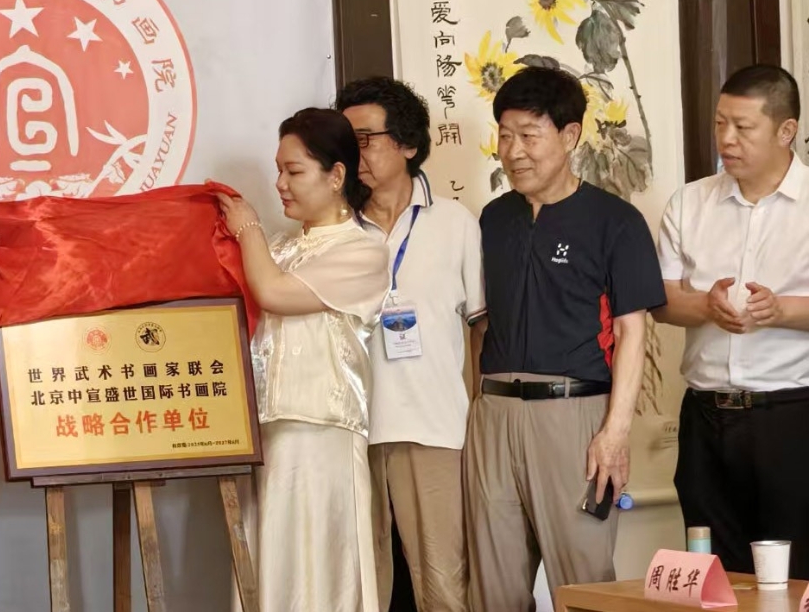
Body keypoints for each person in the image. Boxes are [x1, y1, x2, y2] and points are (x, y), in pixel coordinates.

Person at [464, 66, 666, 610]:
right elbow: (478, 325)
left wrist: (614, 433)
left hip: (575, 416)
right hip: (494, 415)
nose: (514, 151)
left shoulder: (615, 221)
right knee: (493, 589)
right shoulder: (492, 219)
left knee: (584, 585)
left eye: (529, 135)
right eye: (505, 135)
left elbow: (631, 331)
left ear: (570, 135)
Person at [218, 107, 390, 612]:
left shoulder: (364, 249)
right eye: (279, 170)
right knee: (270, 571)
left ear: (336, 176)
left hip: (322, 437)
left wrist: (247, 227)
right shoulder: (280, 247)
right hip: (268, 435)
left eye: (293, 171)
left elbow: (273, 292)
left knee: (319, 576)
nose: (280, 184)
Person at [653, 64, 809, 577]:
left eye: (743, 127)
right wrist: (706, 307)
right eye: (720, 123)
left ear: (786, 130)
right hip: (705, 416)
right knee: (714, 575)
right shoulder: (689, 202)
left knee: (794, 575)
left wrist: (782, 311)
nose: (726, 139)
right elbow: (662, 301)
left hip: (791, 414)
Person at [336, 77, 484, 612]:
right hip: (350, 430)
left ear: (407, 144)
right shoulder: (335, 229)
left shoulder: (455, 223)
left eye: (365, 139)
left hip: (435, 428)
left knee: (443, 584)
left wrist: (476, 414)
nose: (354, 154)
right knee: (361, 586)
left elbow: (481, 329)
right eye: (346, 142)